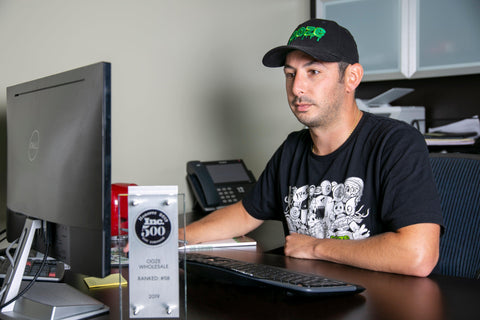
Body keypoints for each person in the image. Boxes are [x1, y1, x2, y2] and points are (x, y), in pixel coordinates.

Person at [181, 19, 443, 277]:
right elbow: (244, 214)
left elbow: (417, 255)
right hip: (309, 298)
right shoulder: (293, 149)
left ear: (352, 77)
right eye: (290, 74)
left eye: (313, 72)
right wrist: (174, 237)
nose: (297, 88)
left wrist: (315, 247)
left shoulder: (395, 143)